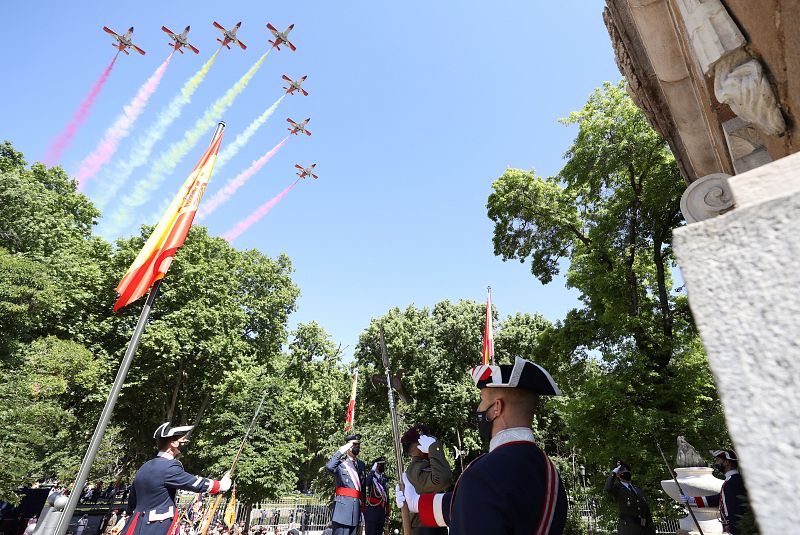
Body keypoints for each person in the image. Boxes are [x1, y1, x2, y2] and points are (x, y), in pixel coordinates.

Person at [396, 357, 568, 534]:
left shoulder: (482, 474)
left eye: (482, 400)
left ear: (496, 408)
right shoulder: (549, 472)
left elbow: (479, 503)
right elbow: (483, 505)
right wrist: (417, 502)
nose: (478, 408)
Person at [120, 422, 232, 535]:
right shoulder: (169, 467)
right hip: (156, 526)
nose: (185, 443)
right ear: (173, 443)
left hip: (135, 526)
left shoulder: (145, 466)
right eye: (183, 441)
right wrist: (220, 485)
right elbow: (194, 483)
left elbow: (132, 501)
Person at [680, 449, 749, 534]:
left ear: (727, 462)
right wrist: (692, 499)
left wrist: (732, 528)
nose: (716, 463)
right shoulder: (732, 480)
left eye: (718, 460)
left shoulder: (733, 481)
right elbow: (720, 498)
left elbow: (734, 508)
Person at [400, 425, 453, 535]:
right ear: (418, 446)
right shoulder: (416, 469)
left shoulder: (424, 464)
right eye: (423, 440)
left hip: (433, 526)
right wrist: (434, 448)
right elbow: (443, 479)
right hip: (425, 529)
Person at [325, 433, 365, 535]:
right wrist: (341, 451)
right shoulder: (341, 463)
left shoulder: (361, 464)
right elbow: (329, 467)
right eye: (354, 445)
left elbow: (362, 489)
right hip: (342, 511)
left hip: (355, 510)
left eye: (358, 445)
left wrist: (362, 510)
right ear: (349, 447)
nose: (357, 447)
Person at [604, 461, 656, 535]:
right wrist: (613, 472)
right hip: (628, 529)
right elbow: (608, 488)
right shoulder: (617, 488)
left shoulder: (637, 489)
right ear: (618, 474)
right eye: (622, 470)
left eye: (626, 470)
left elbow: (646, 511)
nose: (625, 472)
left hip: (644, 529)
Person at [363, 457, 390, 535]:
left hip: (381, 513)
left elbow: (386, 498)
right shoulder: (371, 478)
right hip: (372, 512)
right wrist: (372, 470)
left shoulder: (384, 479)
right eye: (382, 465)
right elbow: (366, 483)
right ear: (377, 466)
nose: (383, 466)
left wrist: (387, 513)